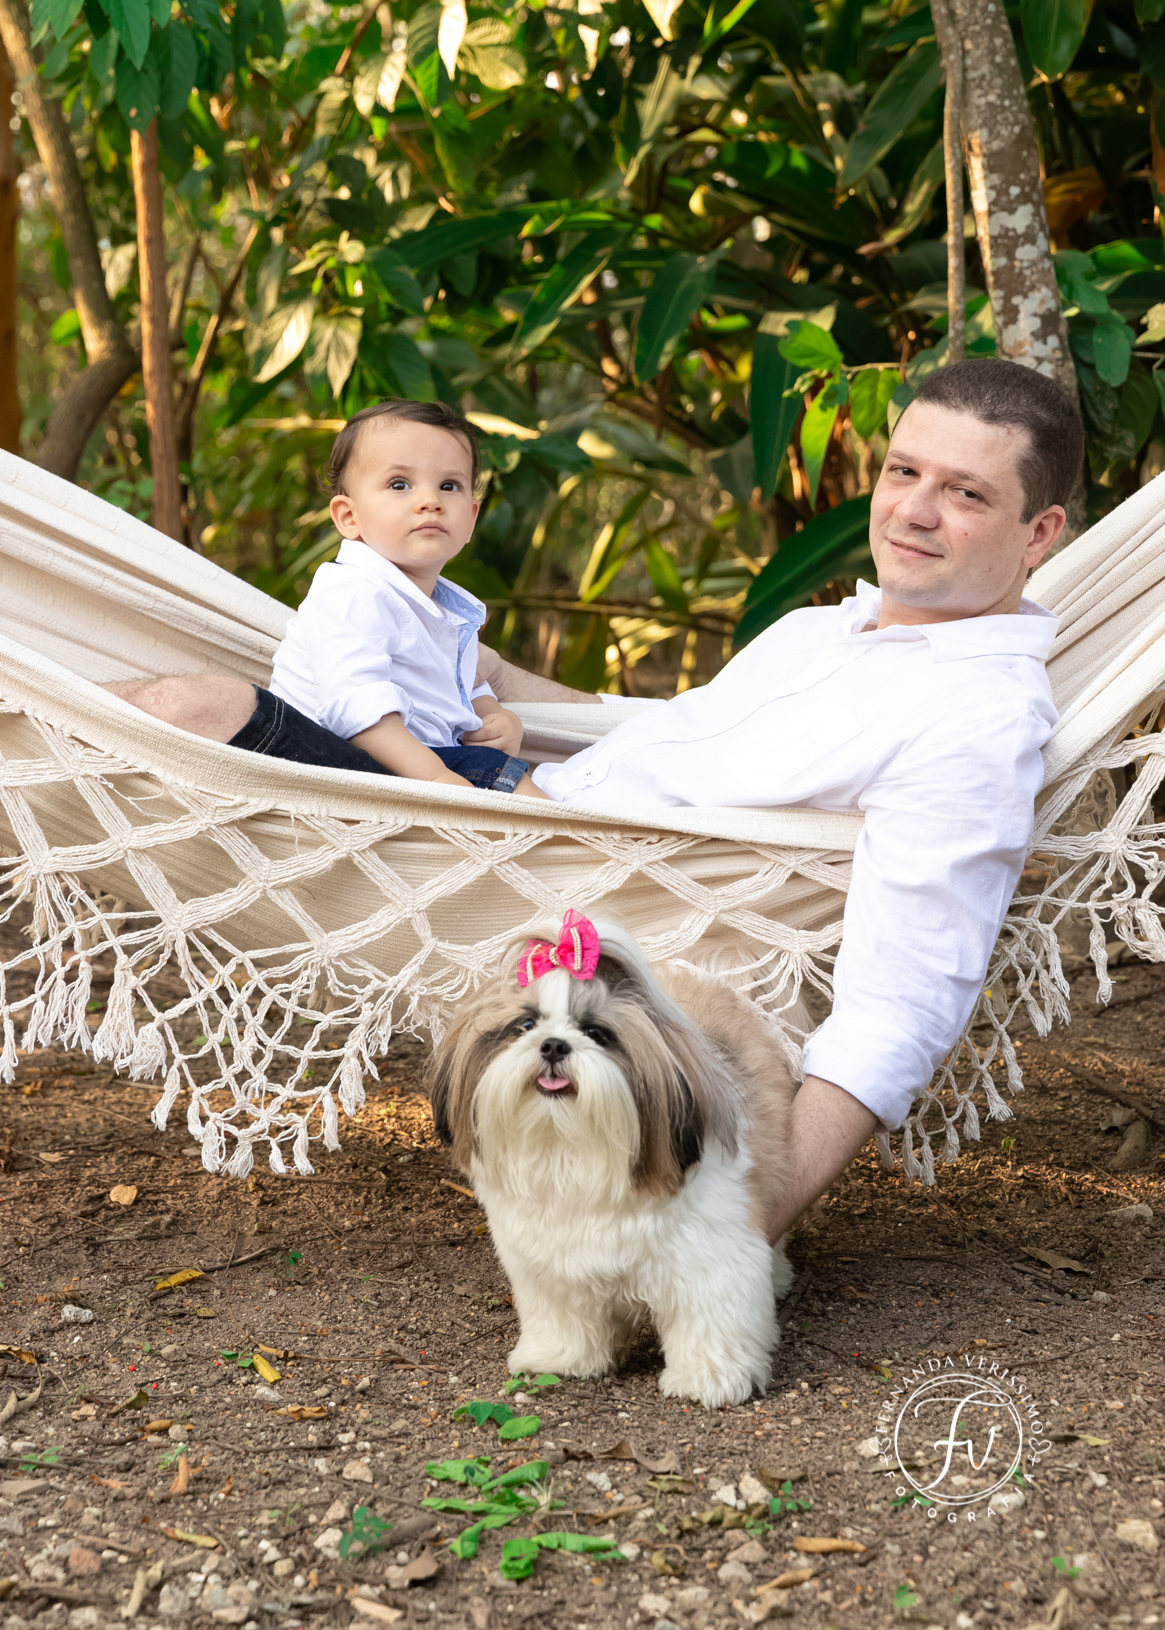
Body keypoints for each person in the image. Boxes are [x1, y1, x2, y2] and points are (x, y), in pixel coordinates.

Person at [115, 358, 1081, 1242]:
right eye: (903, 472)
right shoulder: (827, 629)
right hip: (511, 799)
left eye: (965, 493)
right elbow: (665, 730)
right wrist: (496, 689)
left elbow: (908, 998)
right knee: (209, 695)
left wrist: (750, 1226)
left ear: (1040, 533)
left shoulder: (974, 720)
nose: (914, 511)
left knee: (190, 712)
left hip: (514, 863)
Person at [113, 399, 549, 798]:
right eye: (400, 484)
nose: (430, 500)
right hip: (326, 764)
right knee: (510, 785)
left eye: (450, 485)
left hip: (416, 760)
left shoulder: (447, 610)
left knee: (515, 780)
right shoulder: (354, 592)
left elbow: (462, 684)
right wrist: (435, 779)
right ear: (348, 516)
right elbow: (357, 707)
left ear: (470, 518)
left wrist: (494, 716)